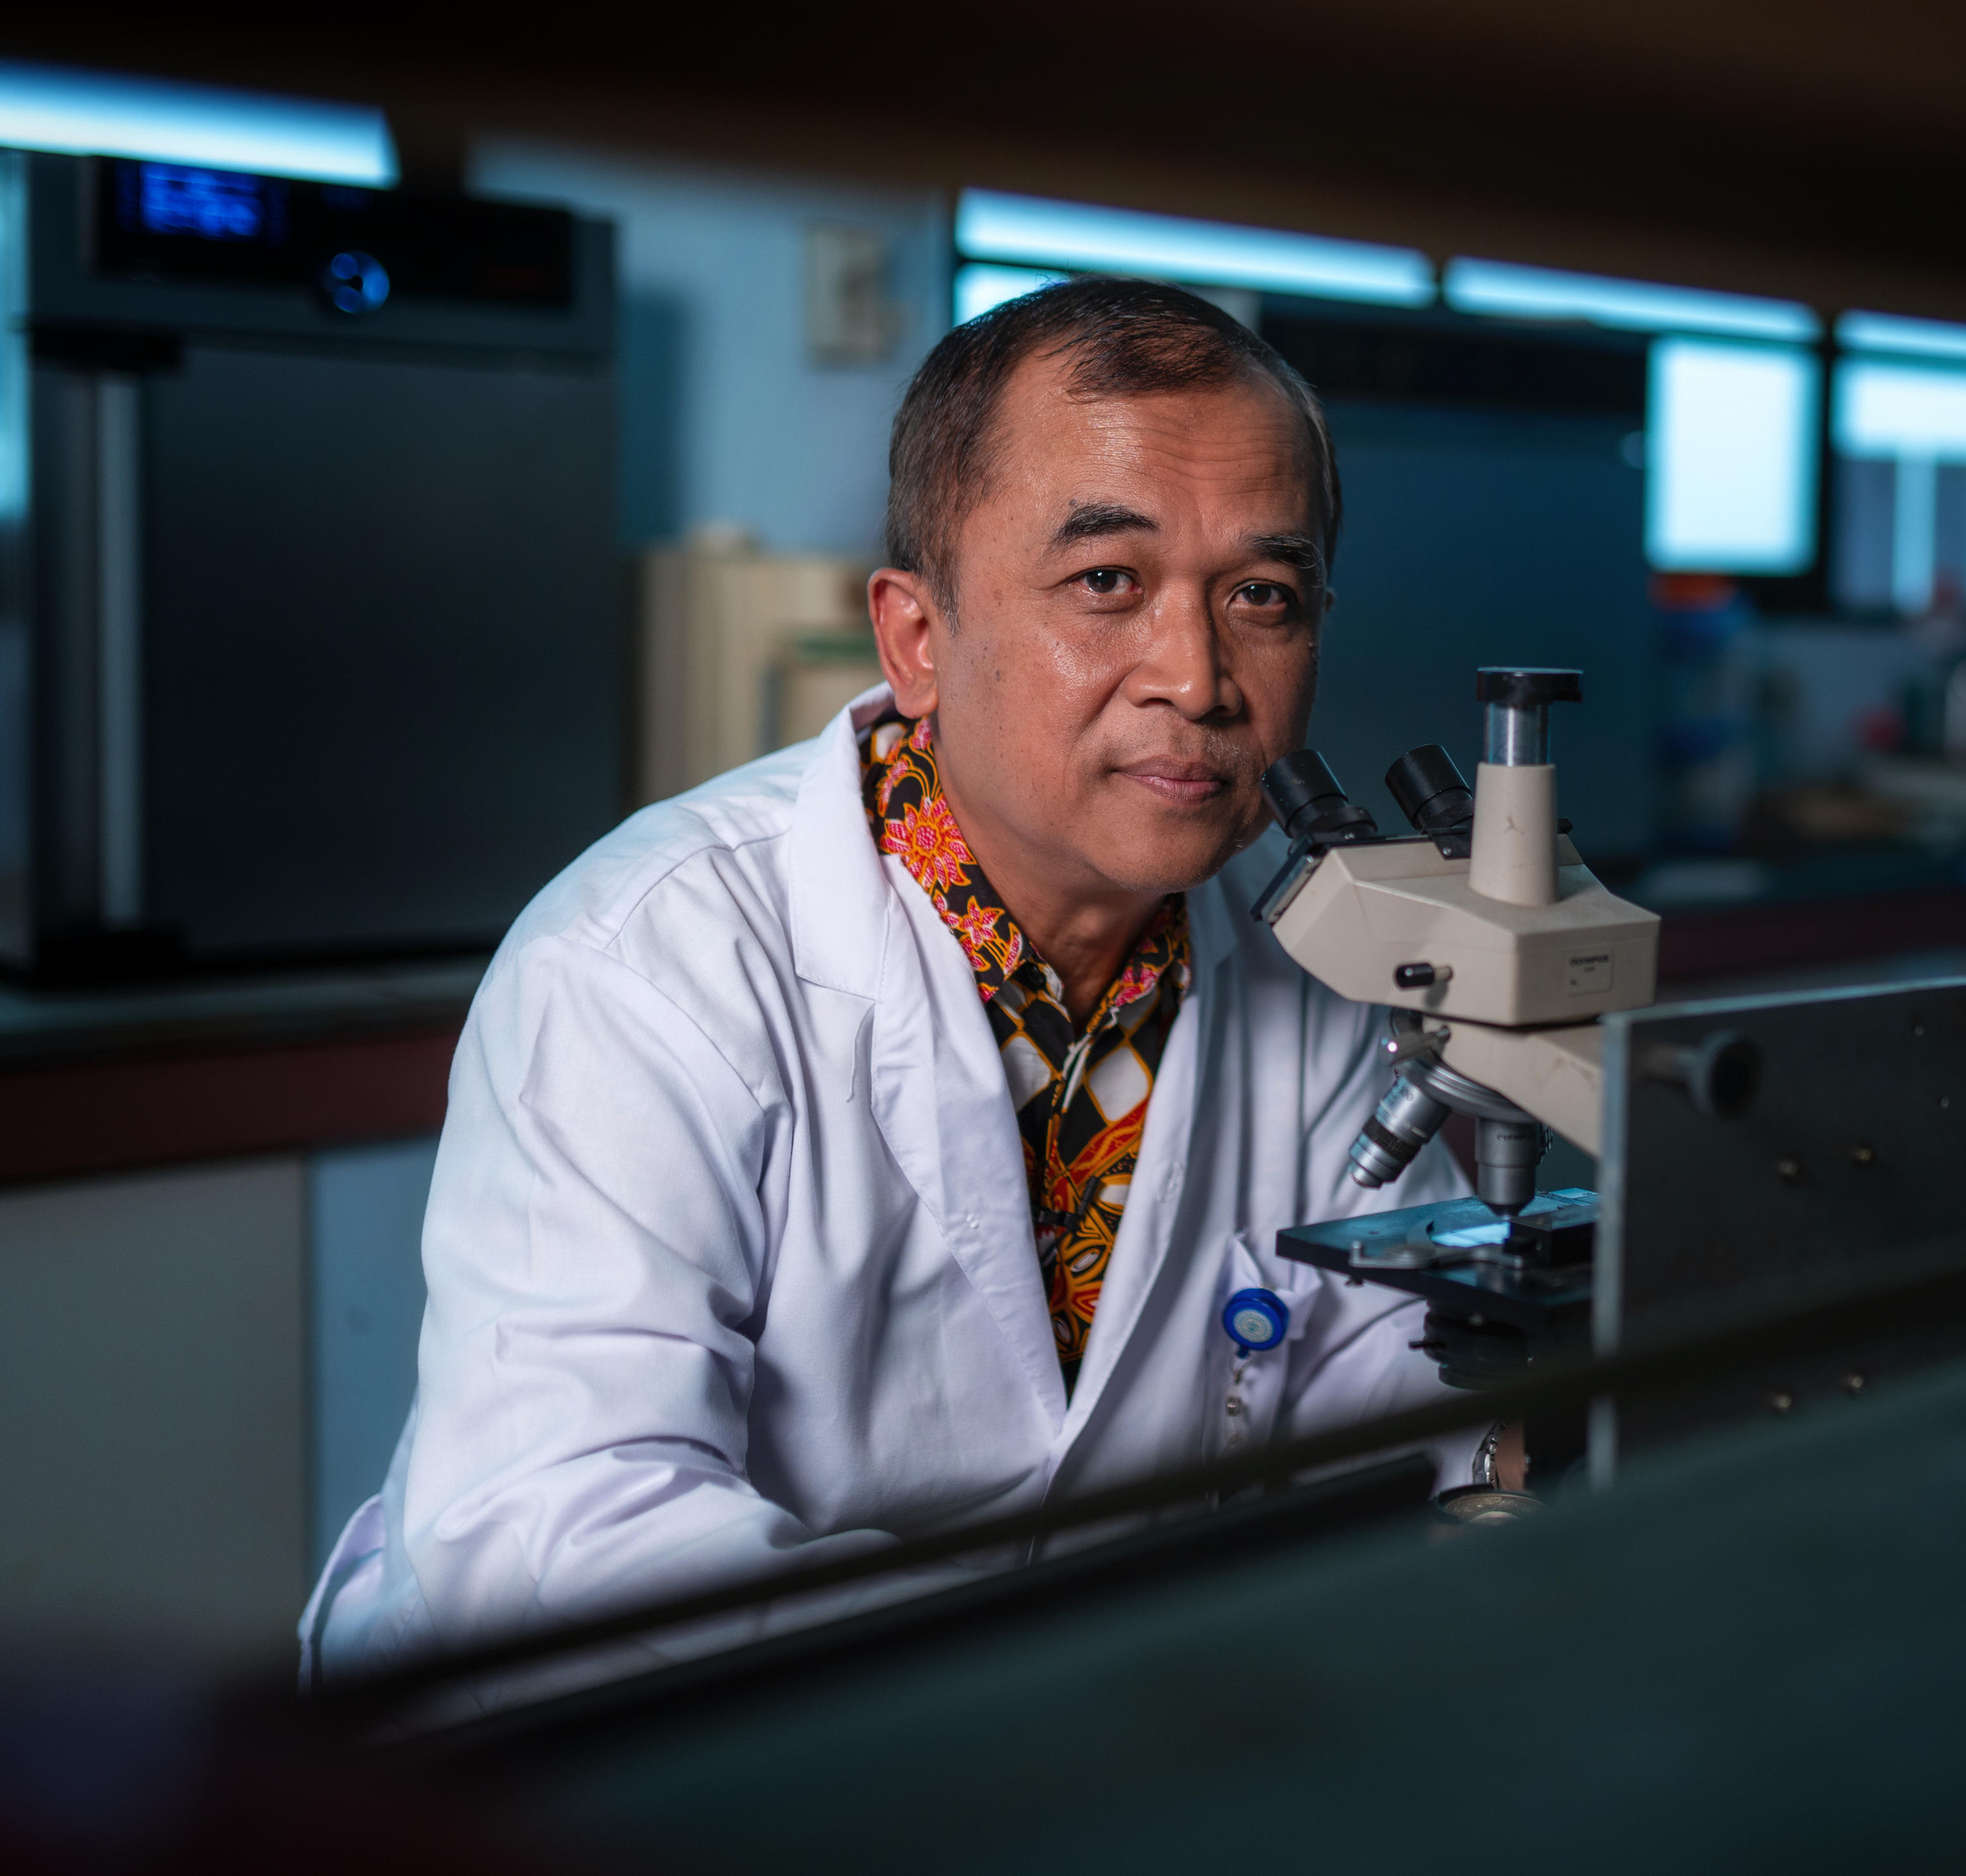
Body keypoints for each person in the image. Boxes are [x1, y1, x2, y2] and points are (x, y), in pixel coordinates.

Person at [300, 277, 1488, 1684]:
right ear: (918, 638)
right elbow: (554, 1537)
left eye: (1264, 596)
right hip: (648, 1763)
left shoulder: (1312, 959)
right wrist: (1038, 1680)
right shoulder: (649, 964)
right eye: (1107, 581)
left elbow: (1397, 1383)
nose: (1199, 674)